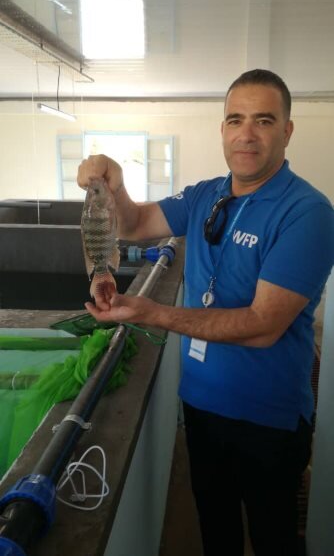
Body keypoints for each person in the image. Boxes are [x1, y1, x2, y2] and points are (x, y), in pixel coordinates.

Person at [77, 69, 334, 556]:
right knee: (215, 532)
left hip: (268, 419)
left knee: (274, 538)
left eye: (263, 120)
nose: (247, 133)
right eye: (235, 119)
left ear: (287, 130)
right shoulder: (205, 195)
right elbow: (133, 224)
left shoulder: (308, 212)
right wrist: (113, 185)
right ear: (222, 129)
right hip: (200, 405)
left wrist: (151, 312)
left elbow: (262, 327)